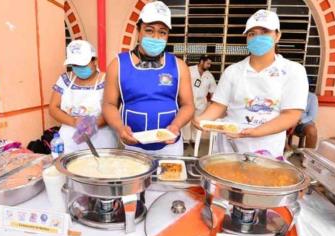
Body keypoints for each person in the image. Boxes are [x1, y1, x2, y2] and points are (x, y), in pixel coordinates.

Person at [193, 9, 308, 159]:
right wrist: (202, 119)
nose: (257, 37)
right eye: (252, 33)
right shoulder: (233, 71)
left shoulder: (293, 71)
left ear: (278, 35)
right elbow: (219, 105)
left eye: (264, 32)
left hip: (267, 150)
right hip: (228, 147)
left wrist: (254, 131)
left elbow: (291, 115)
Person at [103, 1, 194, 156]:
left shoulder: (179, 66)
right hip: (133, 146)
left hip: (170, 147)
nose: (156, 37)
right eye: (149, 30)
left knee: (169, 181)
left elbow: (188, 105)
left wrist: (176, 126)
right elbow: (109, 104)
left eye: (162, 32)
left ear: (167, 36)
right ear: (138, 31)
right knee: (135, 181)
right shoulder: (118, 64)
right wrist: (120, 128)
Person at [49, 40, 118, 154]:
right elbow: (53, 108)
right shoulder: (65, 79)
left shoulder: (107, 80)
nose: (79, 68)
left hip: (101, 140)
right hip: (68, 141)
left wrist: (93, 124)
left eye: (83, 64)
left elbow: (113, 108)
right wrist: (74, 121)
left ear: (94, 60)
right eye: (75, 65)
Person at [182, 55, 216, 148]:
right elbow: (181, 84)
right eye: (208, 63)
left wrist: (213, 105)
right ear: (201, 62)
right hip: (188, 101)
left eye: (210, 64)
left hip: (201, 103)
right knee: (186, 122)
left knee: (197, 122)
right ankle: (185, 140)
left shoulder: (209, 75)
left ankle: (194, 140)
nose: (209, 66)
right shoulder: (189, 70)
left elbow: (213, 90)